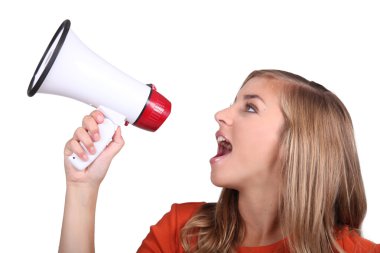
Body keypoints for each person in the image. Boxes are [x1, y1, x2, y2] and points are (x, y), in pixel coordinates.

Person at [58, 69, 380, 253]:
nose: (221, 115)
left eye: (250, 108)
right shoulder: (181, 232)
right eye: (233, 103)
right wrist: (81, 186)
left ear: (298, 144)